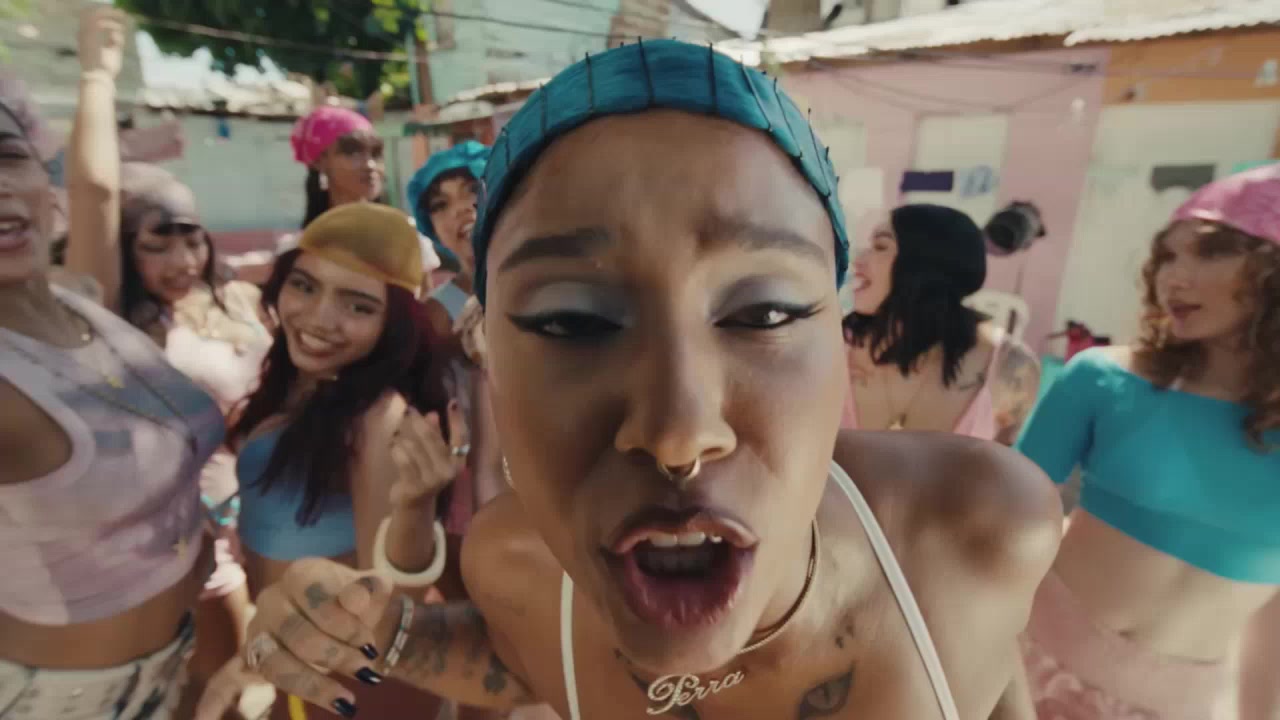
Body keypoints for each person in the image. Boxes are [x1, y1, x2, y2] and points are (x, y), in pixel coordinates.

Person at [199, 40, 1062, 720]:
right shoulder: (516, 569)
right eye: (571, 321)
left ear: (840, 330)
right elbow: (522, 656)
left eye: (762, 313)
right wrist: (365, 631)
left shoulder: (978, 531)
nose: (678, 433)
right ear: (485, 348)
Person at [0, 8, 225, 718]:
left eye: (6, 155)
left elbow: (98, 190)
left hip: (176, 662)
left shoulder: (83, 298)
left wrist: (97, 72)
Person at [1013, 164, 1280, 719]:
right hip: (1022, 664)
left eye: (1207, 253)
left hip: (1172, 706)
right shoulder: (1103, 379)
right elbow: (1000, 522)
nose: (1172, 279)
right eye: (1167, 257)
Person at [226, 202, 465, 719]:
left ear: (392, 325)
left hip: (358, 683)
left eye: (358, 306)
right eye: (305, 286)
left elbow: (393, 596)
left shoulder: (377, 417)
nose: (319, 318)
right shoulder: (293, 386)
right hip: (300, 667)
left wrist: (416, 508)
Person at [62, 159, 269, 715]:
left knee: (250, 677)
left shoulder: (233, 300)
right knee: (213, 687)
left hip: (257, 518)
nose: (183, 261)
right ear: (123, 247)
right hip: (184, 536)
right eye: (157, 245)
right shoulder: (115, 325)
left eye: (192, 240)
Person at [841, 204, 1041, 444]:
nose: (857, 261)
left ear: (925, 264)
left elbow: (1001, 462)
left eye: (880, 246)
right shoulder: (831, 347)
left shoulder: (1011, 368)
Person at [407, 140, 506, 533]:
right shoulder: (435, 314)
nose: (461, 208)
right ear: (431, 228)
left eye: (472, 189)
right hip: (478, 489)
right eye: (440, 204)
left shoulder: (556, 280)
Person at [227, 106, 441, 287]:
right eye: (352, 152)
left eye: (376, 154)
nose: (370, 165)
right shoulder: (302, 248)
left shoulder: (404, 236)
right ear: (320, 162)